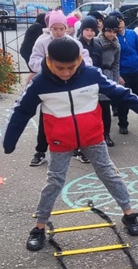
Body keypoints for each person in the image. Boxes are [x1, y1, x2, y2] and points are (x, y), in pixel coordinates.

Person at [3, 39, 138, 251]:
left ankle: (129, 214)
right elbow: (21, 110)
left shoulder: (91, 75)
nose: (66, 73)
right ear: (49, 61)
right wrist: (10, 141)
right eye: (60, 68)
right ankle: (39, 227)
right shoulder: (40, 83)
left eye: (71, 67)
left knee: (109, 173)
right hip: (60, 140)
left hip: (92, 136)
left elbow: (119, 92)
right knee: (54, 181)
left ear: (78, 59)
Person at [28, 9, 93, 166]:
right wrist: (48, 66)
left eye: (61, 28)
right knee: (46, 119)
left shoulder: (73, 42)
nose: (58, 32)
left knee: (73, 119)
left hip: (69, 86)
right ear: (49, 28)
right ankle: (40, 151)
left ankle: (78, 149)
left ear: (66, 28)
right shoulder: (42, 42)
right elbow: (33, 61)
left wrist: (78, 68)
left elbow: (85, 58)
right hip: (49, 86)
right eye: (55, 28)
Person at [95, 16, 121, 146]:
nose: (111, 34)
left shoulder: (116, 45)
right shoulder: (96, 42)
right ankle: (95, 135)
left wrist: (115, 83)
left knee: (106, 108)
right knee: (95, 109)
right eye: (109, 31)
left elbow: (116, 64)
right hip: (96, 75)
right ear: (104, 30)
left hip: (108, 75)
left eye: (114, 31)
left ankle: (106, 134)